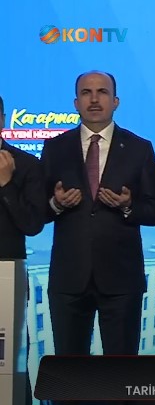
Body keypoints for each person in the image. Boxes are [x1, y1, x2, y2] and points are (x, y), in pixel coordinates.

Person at [40, 71, 155, 364]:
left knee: (121, 372)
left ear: (116, 101)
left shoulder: (139, 148)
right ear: (75, 102)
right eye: (86, 93)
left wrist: (128, 205)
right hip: (69, 279)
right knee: (70, 373)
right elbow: (37, 211)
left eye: (102, 92)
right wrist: (56, 204)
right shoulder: (55, 148)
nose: (94, 99)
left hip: (121, 280)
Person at [0, 95, 46, 405]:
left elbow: (32, 224)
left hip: (7, 274)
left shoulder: (26, 165)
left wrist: (6, 185)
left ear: (2, 119)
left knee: (9, 364)